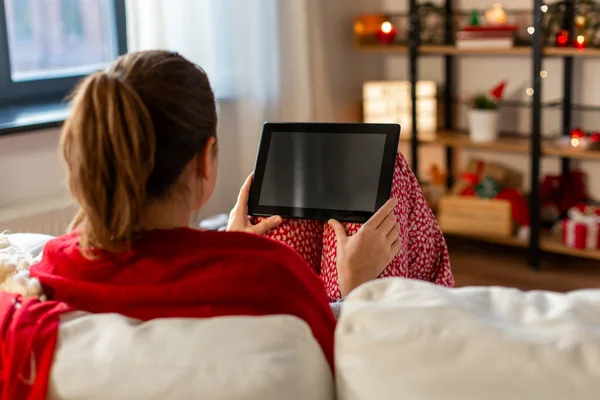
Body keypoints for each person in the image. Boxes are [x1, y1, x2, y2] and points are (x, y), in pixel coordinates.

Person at [0, 50, 452, 398]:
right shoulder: (274, 273)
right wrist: (355, 290)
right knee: (389, 168)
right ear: (206, 160)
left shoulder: (50, 269)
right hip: (327, 289)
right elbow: (344, 363)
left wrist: (227, 247)